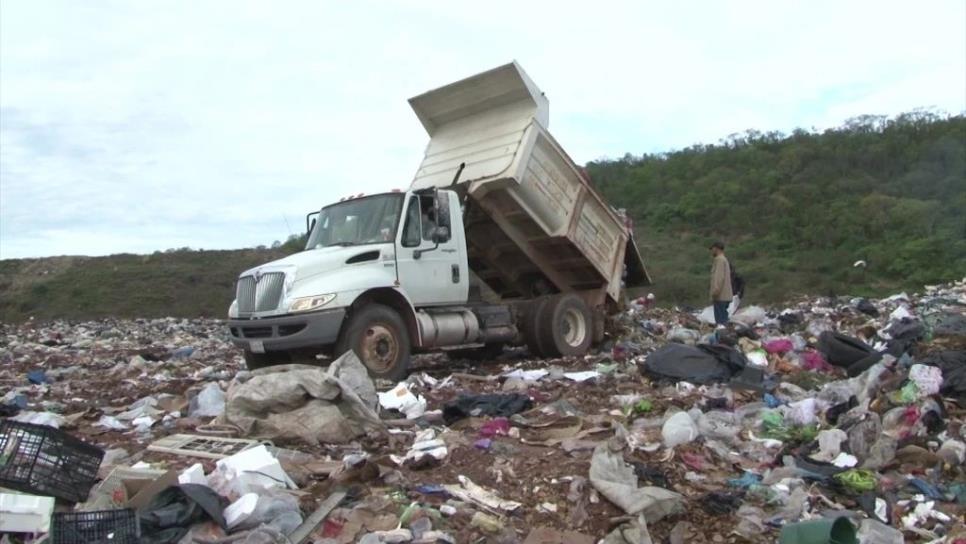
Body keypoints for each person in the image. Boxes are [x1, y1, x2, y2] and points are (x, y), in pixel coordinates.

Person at [709, 241, 733, 327]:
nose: (711, 251)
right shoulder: (724, 260)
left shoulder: (719, 260)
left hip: (720, 296)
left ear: (716, 248)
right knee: (724, 320)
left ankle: (723, 337)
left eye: (712, 249)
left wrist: (715, 292)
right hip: (725, 295)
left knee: (721, 322)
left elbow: (719, 278)